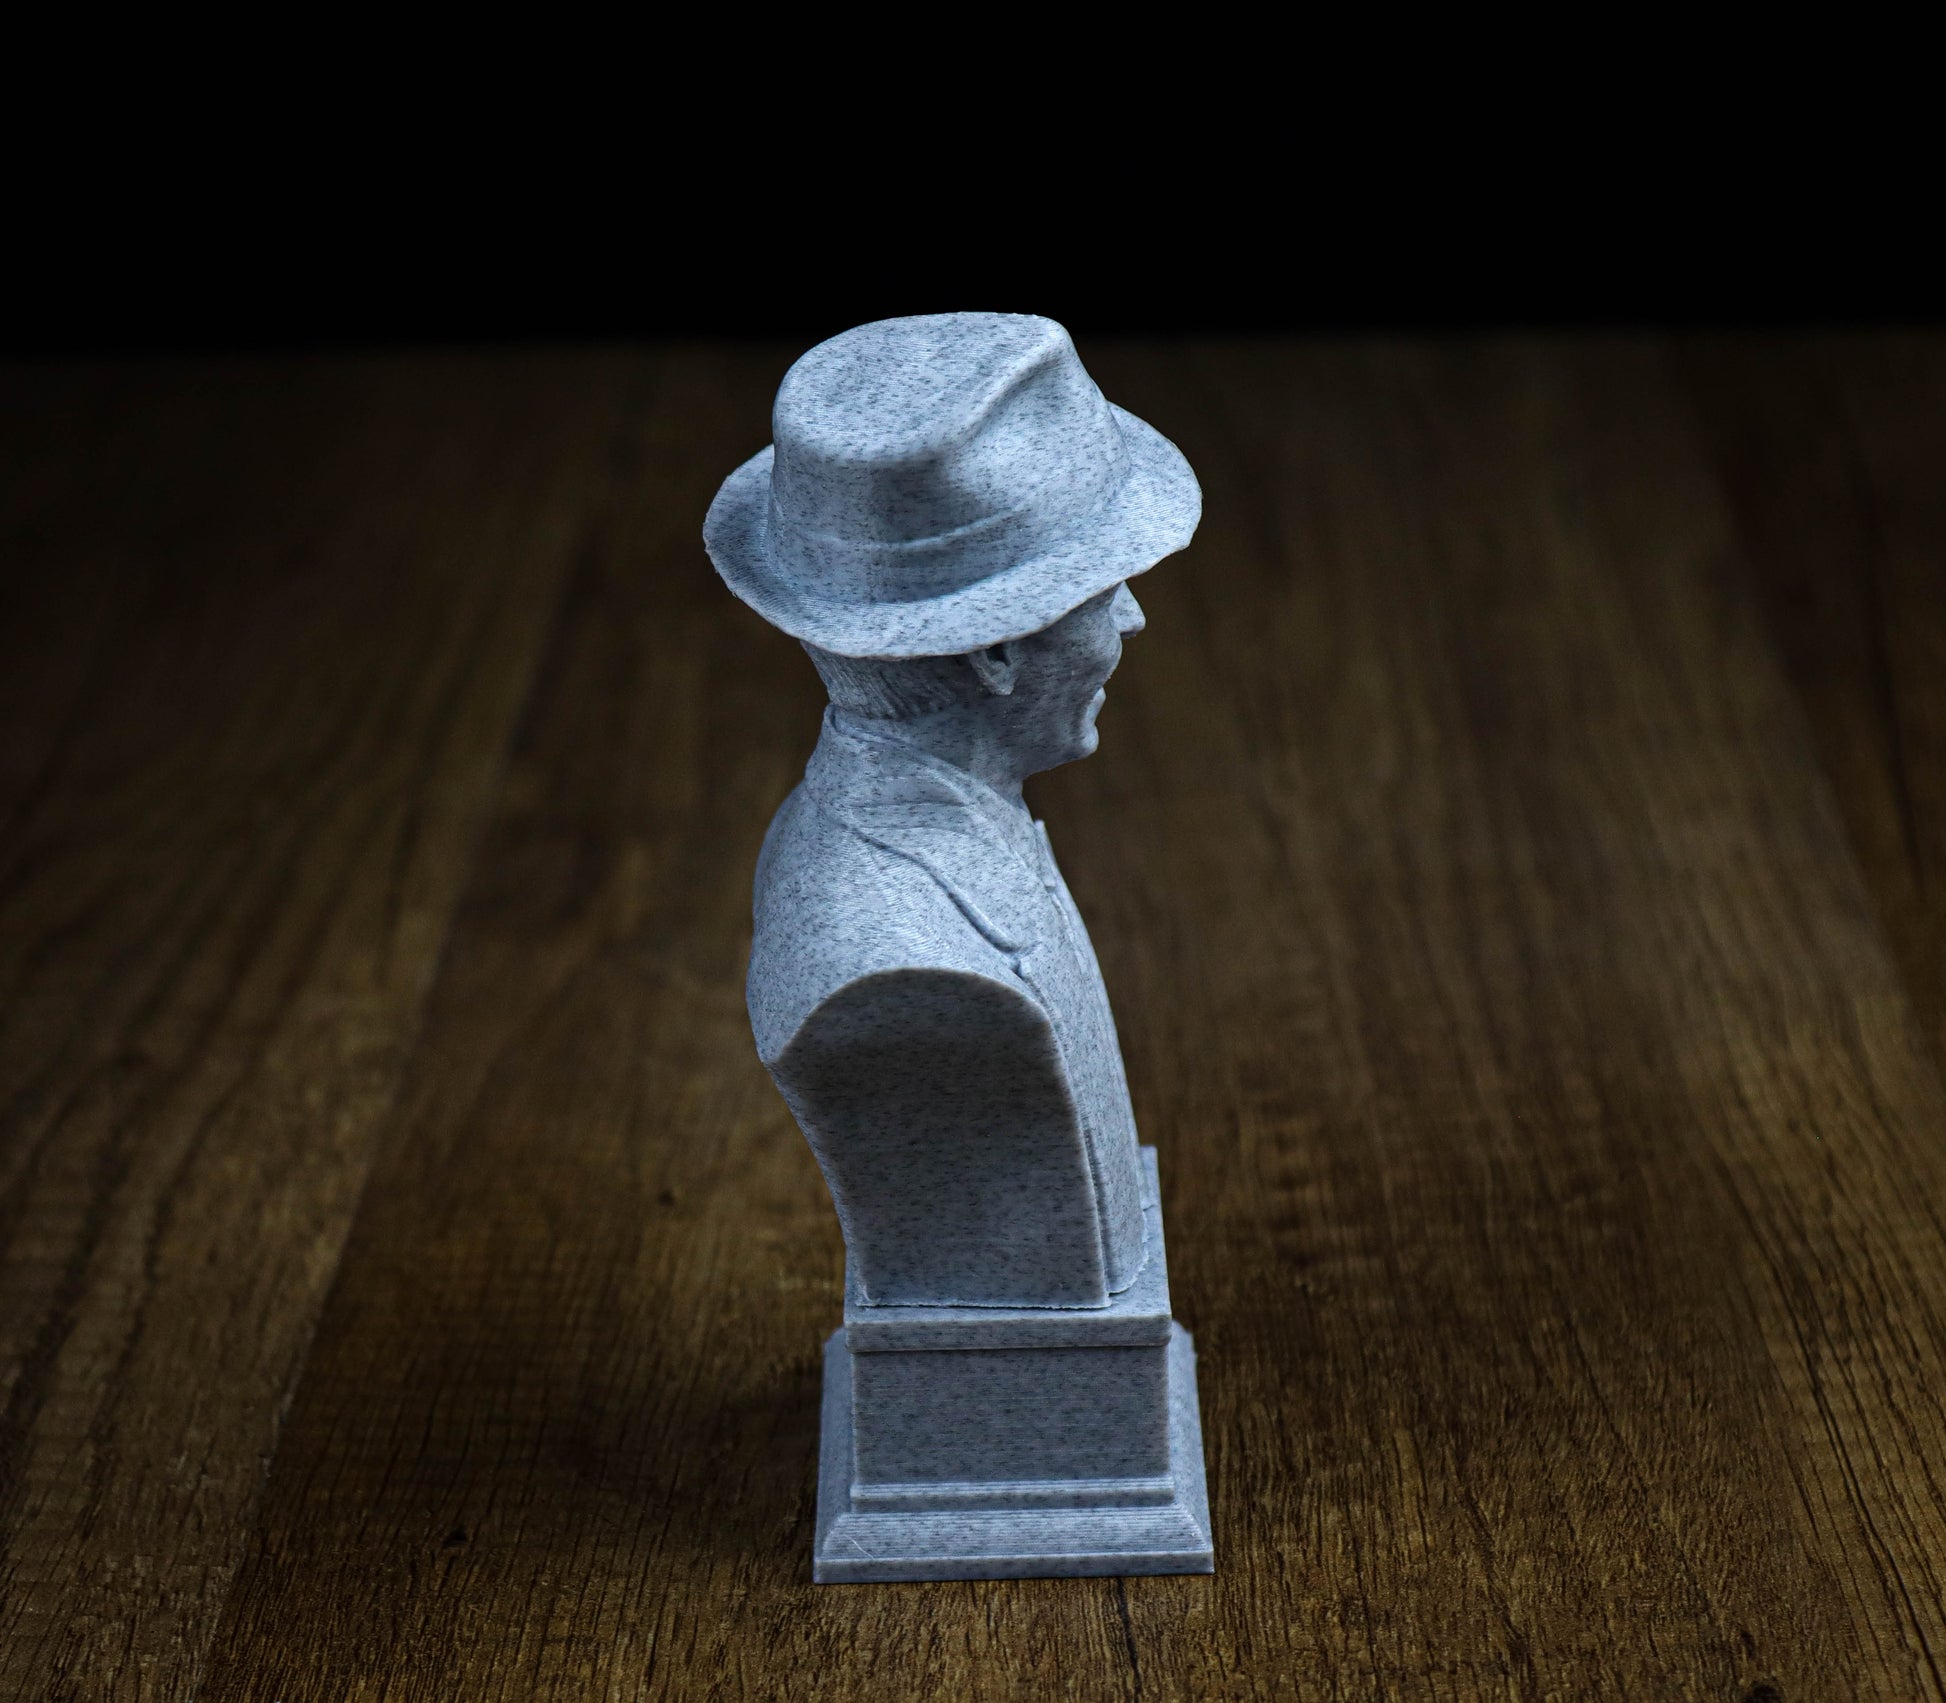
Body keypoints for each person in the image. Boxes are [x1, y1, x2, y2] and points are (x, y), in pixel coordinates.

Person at [705, 312, 1200, 1309]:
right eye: (1100, 593)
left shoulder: (921, 831)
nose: (1134, 617)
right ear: (996, 651)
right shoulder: (880, 957)